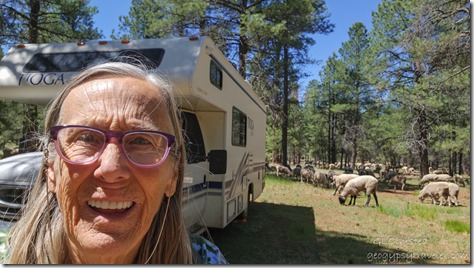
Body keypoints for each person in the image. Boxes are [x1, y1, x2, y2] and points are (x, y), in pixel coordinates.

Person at [5, 61, 228, 264]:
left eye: (141, 140)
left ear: (173, 175)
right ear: (51, 170)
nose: (111, 170)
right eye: (86, 138)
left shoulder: (205, 259)